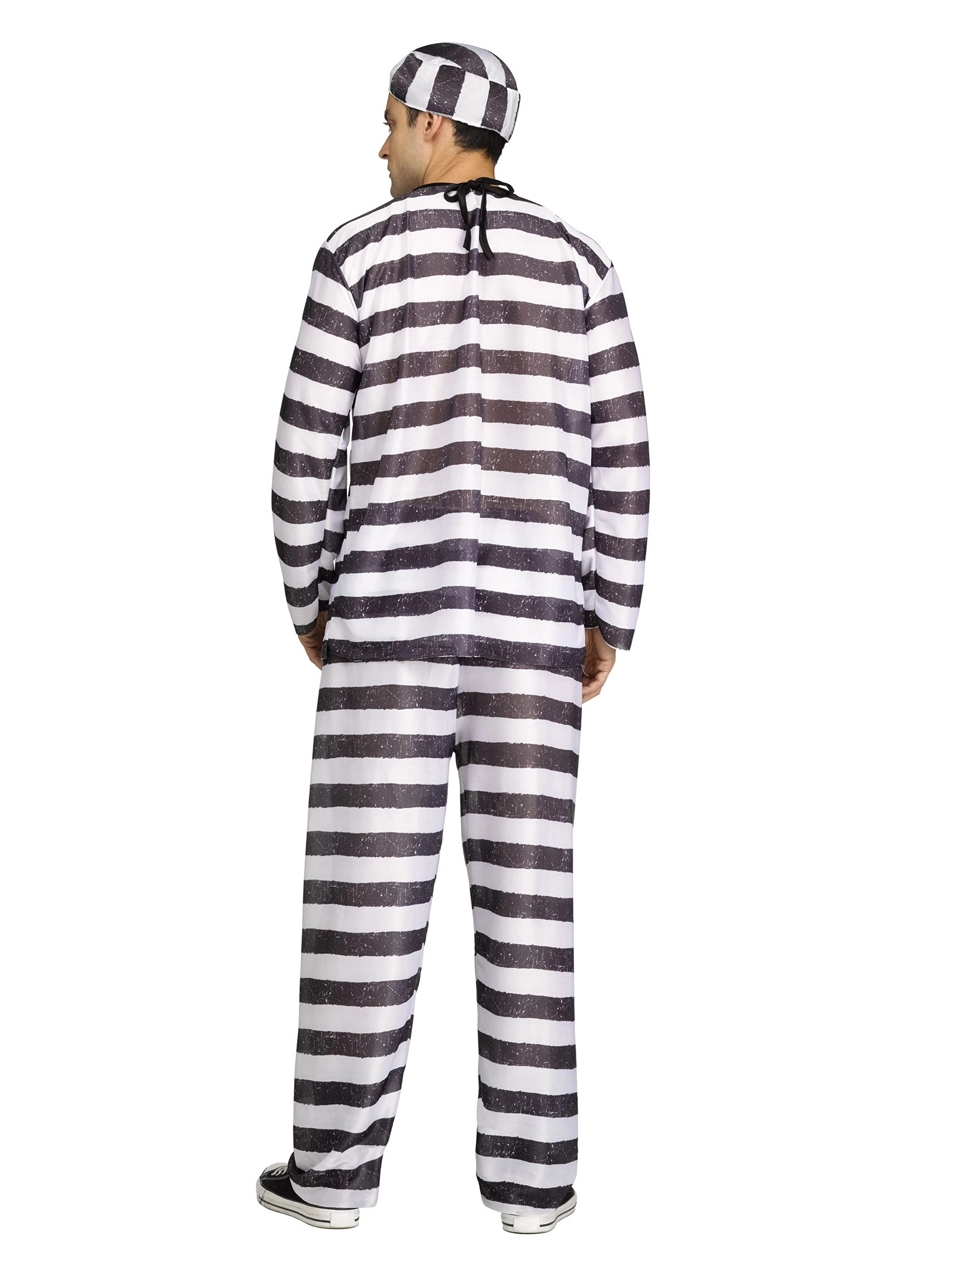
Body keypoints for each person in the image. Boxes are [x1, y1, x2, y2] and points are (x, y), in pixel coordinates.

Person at [257, 40, 650, 1235]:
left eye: (391, 120)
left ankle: (332, 1179)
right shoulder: (581, 264)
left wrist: (314, 601)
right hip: (535, 638)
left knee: (360, 916)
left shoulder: (355, 256)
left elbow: (302, 456)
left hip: (385, 632)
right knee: (530, 916)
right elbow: (623, 455)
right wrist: (608, 609)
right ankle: (534, 1189)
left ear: (435, 125)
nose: (380, 142)